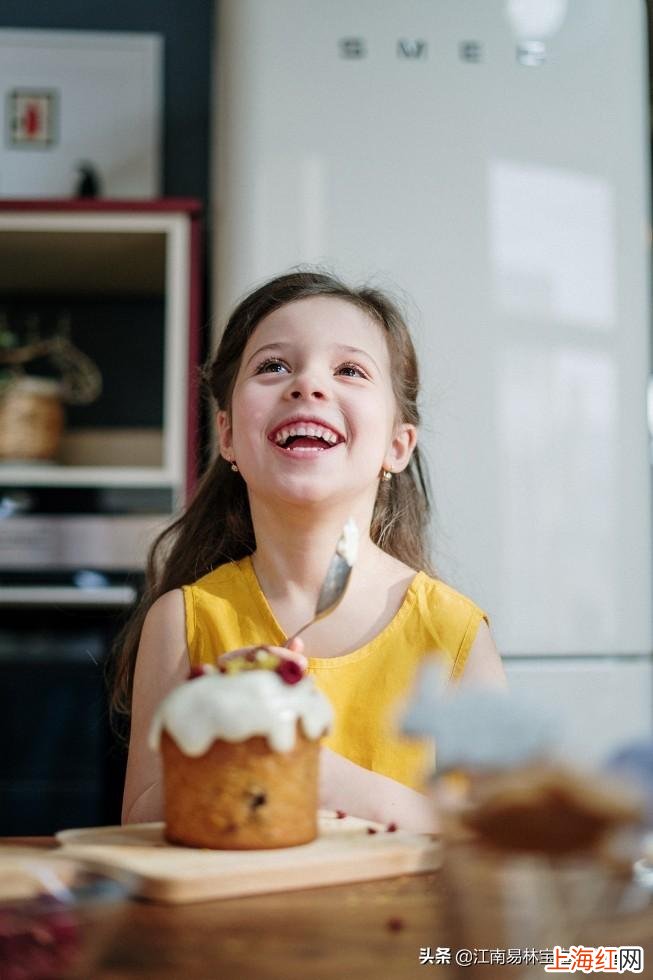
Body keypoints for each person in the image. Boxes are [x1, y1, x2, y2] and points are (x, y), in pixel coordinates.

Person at [113, 270, 506, 831]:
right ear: (226, 435)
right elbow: (139, 832)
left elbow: (497, 841)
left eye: (349, 370)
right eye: (274, 366)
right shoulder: (182, 621)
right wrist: (220, 727)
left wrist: (315, 772)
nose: (308, 386)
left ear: (397, 444)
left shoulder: (454, 634)